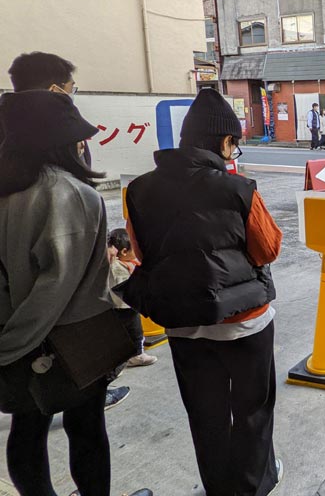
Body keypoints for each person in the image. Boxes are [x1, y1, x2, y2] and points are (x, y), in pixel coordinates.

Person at [121, 89, 283, 496]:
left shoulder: (138, 190)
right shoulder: (239, 189)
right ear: (225, 142)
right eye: (235, 145)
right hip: (245, 323)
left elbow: (141, 252)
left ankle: (218, 487)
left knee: (205, 415)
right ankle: (252, 486)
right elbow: (269, 249)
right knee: (253, 412)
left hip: (183, 322)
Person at [0, 90, 153, 496]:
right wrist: (13, 344)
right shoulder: (71, 194)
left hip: (13, 336)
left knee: (27, 428)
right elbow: (56, 287)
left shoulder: (6, 189)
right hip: (71, 338)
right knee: (86, 429)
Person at [2, 51, 91, 167]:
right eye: (71, 87)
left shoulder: (9, 124)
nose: (72, 93)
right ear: (54, 90)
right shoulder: (65, 132)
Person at [107, 228, 158, 368]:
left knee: (120, 336)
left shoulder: (113, 263)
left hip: (114, 309)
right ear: (124, 252)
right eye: (134, 249)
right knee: (136, 332)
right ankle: (137, 355)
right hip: (127, 307)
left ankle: (122, 361)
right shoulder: (119, 268)